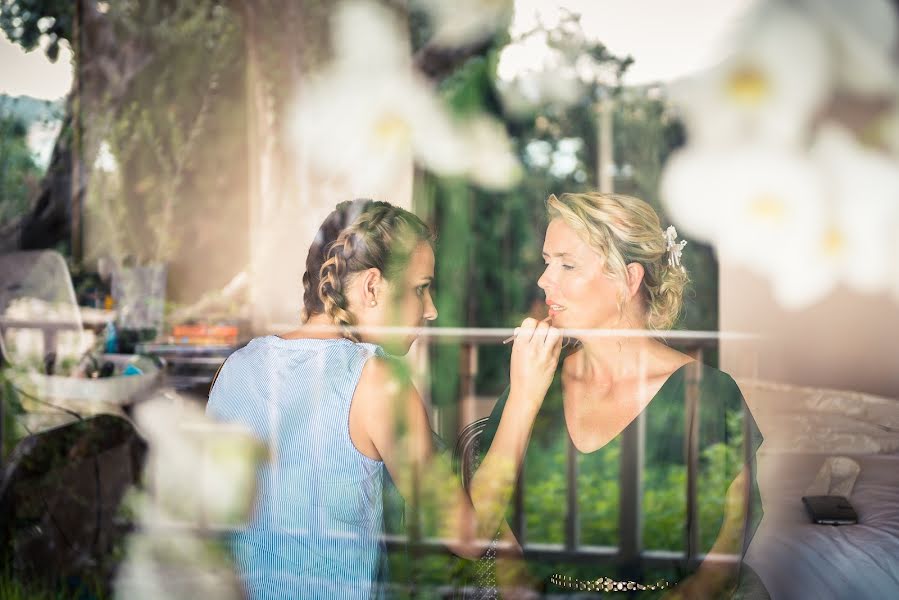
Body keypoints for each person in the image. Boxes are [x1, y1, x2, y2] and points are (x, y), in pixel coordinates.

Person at [206, 199, 561, 599]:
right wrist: (526, 394)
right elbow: (469, 536)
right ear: (372, 287)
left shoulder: (235, 367)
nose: (431, 310)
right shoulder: (377, 382)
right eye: (420, 289)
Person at [473, 192, 767, 598]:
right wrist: (524, 395)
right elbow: (490, 534)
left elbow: (720, 573)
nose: (544, 280)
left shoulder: (712, 398)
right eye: (546, 262)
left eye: (567, 264)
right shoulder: (533, 382)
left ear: (629, 280)